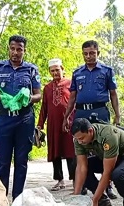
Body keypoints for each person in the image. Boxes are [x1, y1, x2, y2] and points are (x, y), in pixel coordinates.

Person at [62, 40, 120, 199]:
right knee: (80, 147)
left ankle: (107, 186)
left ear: (98, 53)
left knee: (104, 148)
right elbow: (72, 97)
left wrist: (117, 115)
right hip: (81, 112)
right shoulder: (77, 73)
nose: (89, 56)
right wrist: (66, 117)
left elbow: (113, 94)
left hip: (100, 111)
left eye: (92, 53)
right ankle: (80, 185)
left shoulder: (107, 71)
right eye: (85, 53)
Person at [0, 35, 42, 201]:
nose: (15, 52)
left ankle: (17, 200)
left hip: (24, 120)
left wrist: (27, 98)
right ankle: (0, 201)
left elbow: (38, 94)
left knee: (21, 161)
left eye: (19, 49)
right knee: (3, 161)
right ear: (8, 49)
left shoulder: (31, 70)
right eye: (12, 48)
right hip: (5, 119)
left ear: (24, 51)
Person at [71, 118, 124, 206]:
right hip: (109, 156)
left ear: (90, 131)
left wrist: (94, 200)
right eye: (77, 139)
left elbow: (107, 173)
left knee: (118, 174)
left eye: (82, 138)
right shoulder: (79, 140)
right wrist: (76, 195)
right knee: (76, 165)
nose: (80, 142)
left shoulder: (108, 136)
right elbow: (81, 167)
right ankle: (103, 201)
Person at [37, 58, 76, 191]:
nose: (55, 73)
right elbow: (44, 108)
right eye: (52, 71)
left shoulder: (71, 84)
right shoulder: (47, 88)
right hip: (53, 125)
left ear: (62, 69)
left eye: (57, 70)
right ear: (49, 71)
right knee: (55, 152)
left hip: (69, 123)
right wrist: (40, 124)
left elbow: (76, 102)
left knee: (71, 151)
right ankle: (60, 180)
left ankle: (75, 179)